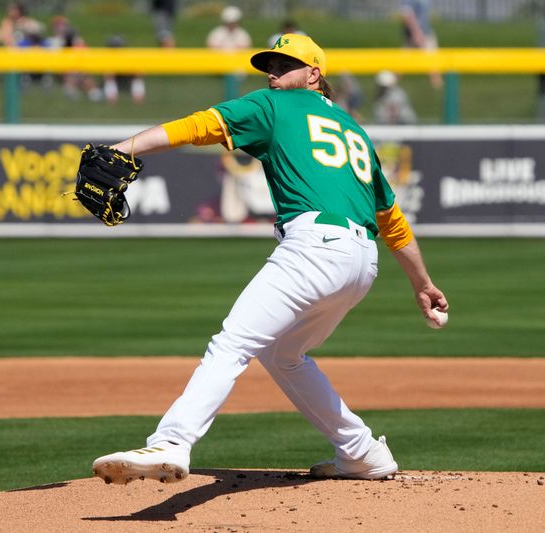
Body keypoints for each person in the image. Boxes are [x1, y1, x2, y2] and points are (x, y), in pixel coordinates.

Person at [91, 34, 449, 485]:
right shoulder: (354, 129)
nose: (273, 71)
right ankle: (362, 453)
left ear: (314, 74)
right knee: (284, 354)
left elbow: (199, 125)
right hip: (360, 261)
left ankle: (172, 442)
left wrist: (123, 148)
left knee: (233, 342)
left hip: (314, 247)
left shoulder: (275, 105)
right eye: (270, 64)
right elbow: (391, 219)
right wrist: (422, 283)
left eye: (285, 63)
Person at [207, 6, 251, 99]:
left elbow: (245, 50)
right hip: (219, 63)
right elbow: (212, 49)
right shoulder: (217, 33)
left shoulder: (242, 34)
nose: (231, 24)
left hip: (236, 64)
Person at [399, 0, 442, 89]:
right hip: (417, 35)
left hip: (425, 33)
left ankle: (438, 89)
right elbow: (407, 15)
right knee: (401, 66)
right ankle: (388, 87)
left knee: (434, 68)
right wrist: (416, 33)